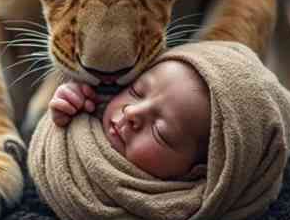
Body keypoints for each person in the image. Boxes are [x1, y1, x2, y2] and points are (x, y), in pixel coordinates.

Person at [49, 59, 211, 181]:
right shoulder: (92, 106)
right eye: (136, 92)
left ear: (197, 171)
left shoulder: (185, 208)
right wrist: (68, 105)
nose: (131, 111)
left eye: (160, 131)